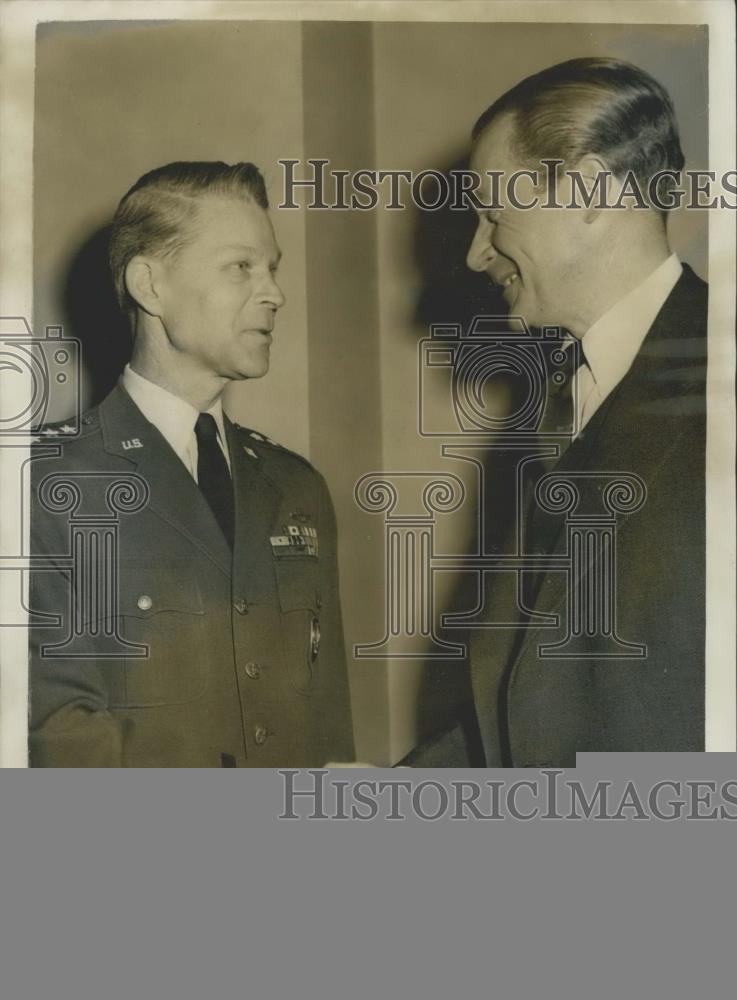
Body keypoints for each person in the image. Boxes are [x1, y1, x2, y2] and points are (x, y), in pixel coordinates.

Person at [29, 161, 356, 767]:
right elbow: (62, 739)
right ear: (150, 285)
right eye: (241, 267)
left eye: (272, 269)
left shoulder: (295, 486)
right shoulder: (48, 484)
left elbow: (327, 730)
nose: (275, 293)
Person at [463, 58, 707, 766]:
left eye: (491, 212)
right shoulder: (553, 403)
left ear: (588, 189)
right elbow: (530, 699)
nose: (477, 252)